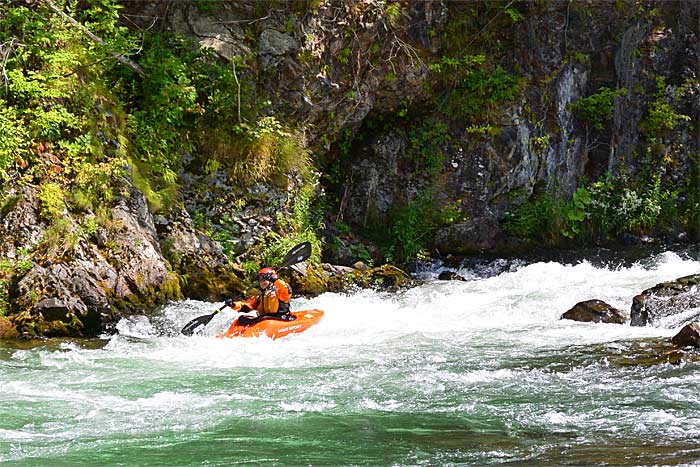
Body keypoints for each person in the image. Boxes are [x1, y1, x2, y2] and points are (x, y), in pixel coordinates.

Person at [225, 268, 295, 325]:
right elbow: (246, 306)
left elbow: (286, 289)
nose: (262, 283)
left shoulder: (279, 292)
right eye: (260, 281)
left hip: (280, 320)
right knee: (242, 318)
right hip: (264, 321)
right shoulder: (260, 297)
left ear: (271, 280)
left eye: (264, 280)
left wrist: (275, 280)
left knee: (265, 320)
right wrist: (233, 305)